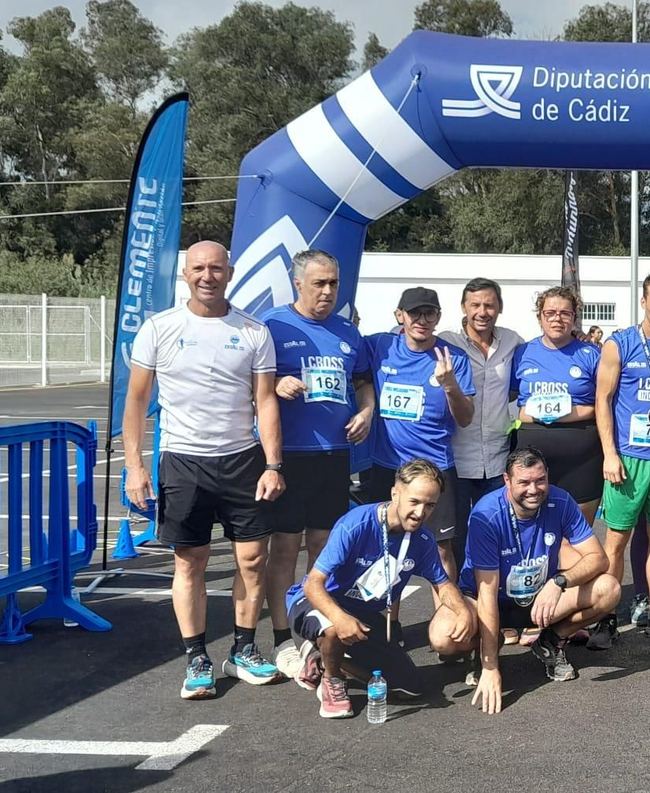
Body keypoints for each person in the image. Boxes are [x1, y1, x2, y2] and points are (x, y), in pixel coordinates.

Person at [123, 240, 286, 699]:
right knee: (190, 561)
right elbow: (136, 402)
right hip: (182, 462)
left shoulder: (254, 331)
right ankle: (196, 657)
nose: (207, 276)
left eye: (216, 268)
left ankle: (243, 651)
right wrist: (135, 467)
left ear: (230, 273)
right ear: (186, 274)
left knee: (252, 561)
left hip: (242, 460)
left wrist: (273, 464)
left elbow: (266, 401)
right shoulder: (159, 328)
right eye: (199, 268)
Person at [285, 458, 475, 718]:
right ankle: (332, 680)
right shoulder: (357, 524)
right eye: (414, 502)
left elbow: (443, 585)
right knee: (332, 632)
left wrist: (462, 611)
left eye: (430, 505)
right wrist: (340, 618)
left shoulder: (422, 539)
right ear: (395, 493)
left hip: (362, 616)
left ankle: (322, 659)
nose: (421, 513)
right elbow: (313, 584)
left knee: (410, 687)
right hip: (317, 604)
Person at [261, 249, 375, 680]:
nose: (327, 291)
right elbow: (249, 379)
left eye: (333, 283)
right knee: (284, 549)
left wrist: (366, 412)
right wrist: (275, 381)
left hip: (333, 456)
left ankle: (314, 631)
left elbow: (363, 383)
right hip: (288, 455)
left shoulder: (347, 330)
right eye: (318, 283)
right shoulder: (273, 324)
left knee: (323, 551)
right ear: (298, 284)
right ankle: (281, 638)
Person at [462, 448, 620, 709]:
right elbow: (486, 593)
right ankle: (484, 650)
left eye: (540, 480)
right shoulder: (487, 515)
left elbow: (599, 559)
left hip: (538, 602)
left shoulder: (561, 501)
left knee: (609, 589)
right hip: (493, 603)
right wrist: (491, 667)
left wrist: (558, 583)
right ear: (507, 480)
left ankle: (550, 642)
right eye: (524, 482)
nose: (534, 489)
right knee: (444, 636)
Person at [590, 271, 650, 648]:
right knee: (616, 541)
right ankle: (606, 618)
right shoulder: (619, 344)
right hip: (628, 459)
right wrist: (609, 454)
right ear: (643, 302)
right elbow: (603, 400)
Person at [361, 286, 476, 584]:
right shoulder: (379, 347)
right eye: (414, 313)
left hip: (436, 468)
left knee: (441, 550)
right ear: (400, 315)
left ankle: (450, 618)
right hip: (388, 467)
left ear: (438, 317)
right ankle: (388, 623)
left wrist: (450, 384)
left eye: (429, 313)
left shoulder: (454, 359)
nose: (421, 319)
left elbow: (465, 418)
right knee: (383, 546)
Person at [511, 286, 604, 523]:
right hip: (532, 454)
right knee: (531, 527)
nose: (557, 318)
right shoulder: (522, 353)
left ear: (574, 317)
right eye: (550, 312)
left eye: (565, 313)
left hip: (581, 457)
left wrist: (566, 414)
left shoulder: (591, 353)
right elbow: (512, 399)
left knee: (578, 530)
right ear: (540, 316)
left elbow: (603, 403)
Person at [441, 278, 524, 507]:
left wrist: (577, 338)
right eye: (475, 305)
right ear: (463, 307)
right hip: (455, 459)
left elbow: (541, 356)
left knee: (493, 531)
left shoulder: (513, 341)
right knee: (455, 536)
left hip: (498, 460)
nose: (482, 312)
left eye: (489, 305)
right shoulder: (446, 342)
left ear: (500, 308)